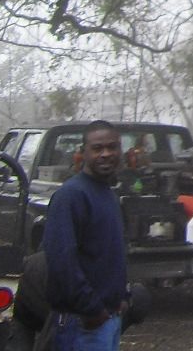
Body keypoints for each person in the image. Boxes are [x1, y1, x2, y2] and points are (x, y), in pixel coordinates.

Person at [41, 121, 127, 351]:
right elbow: (61, 261)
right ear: (83, 152)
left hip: (108, 320)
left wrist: (121, 297)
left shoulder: (108, 194)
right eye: (97, 148)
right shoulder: (71, 195)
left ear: (120, 150)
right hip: (82, 324)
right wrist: (91, 309)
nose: (106, 154)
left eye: (112, 147)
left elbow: (108, 254)